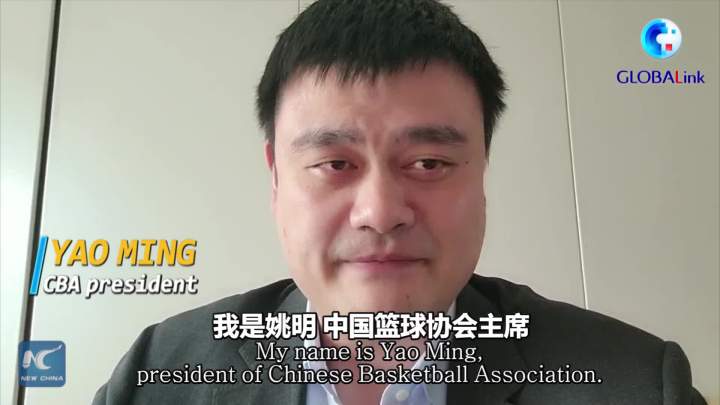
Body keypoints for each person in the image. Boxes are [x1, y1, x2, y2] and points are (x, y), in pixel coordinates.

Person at [93, 0, 706, 404]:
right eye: (335, 164)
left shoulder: (633, 384)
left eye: (430, 163)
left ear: (482, 173)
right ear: (276, 178)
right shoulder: (159, 373)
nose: (381, 212)